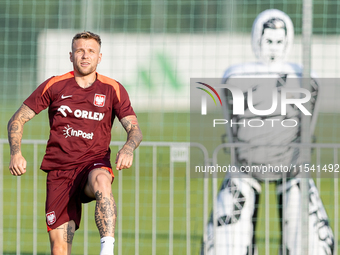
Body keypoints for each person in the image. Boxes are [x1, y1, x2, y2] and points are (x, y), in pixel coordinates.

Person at [203, 9, 334, 255]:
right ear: (258, 40)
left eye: (279, 42)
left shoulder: (306, 80)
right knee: (224, 247)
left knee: (314, 247)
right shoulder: (236, 77)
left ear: (288, 42)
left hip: (293, 171)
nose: (273, 48)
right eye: (268, 41)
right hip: (244, 170)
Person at [7, 31, 142, 255]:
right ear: (71, 56)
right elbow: (17, 119)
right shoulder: (55, 85)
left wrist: (128, 147)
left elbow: (134, 129)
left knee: (102, 180)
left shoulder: (112, 88)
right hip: (59, 171)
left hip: (93, 163)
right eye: (80, 51)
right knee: (60, 249)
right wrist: (16, 153)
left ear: (100, 57)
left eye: (91, 51)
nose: (85, 56)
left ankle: (107, 249)